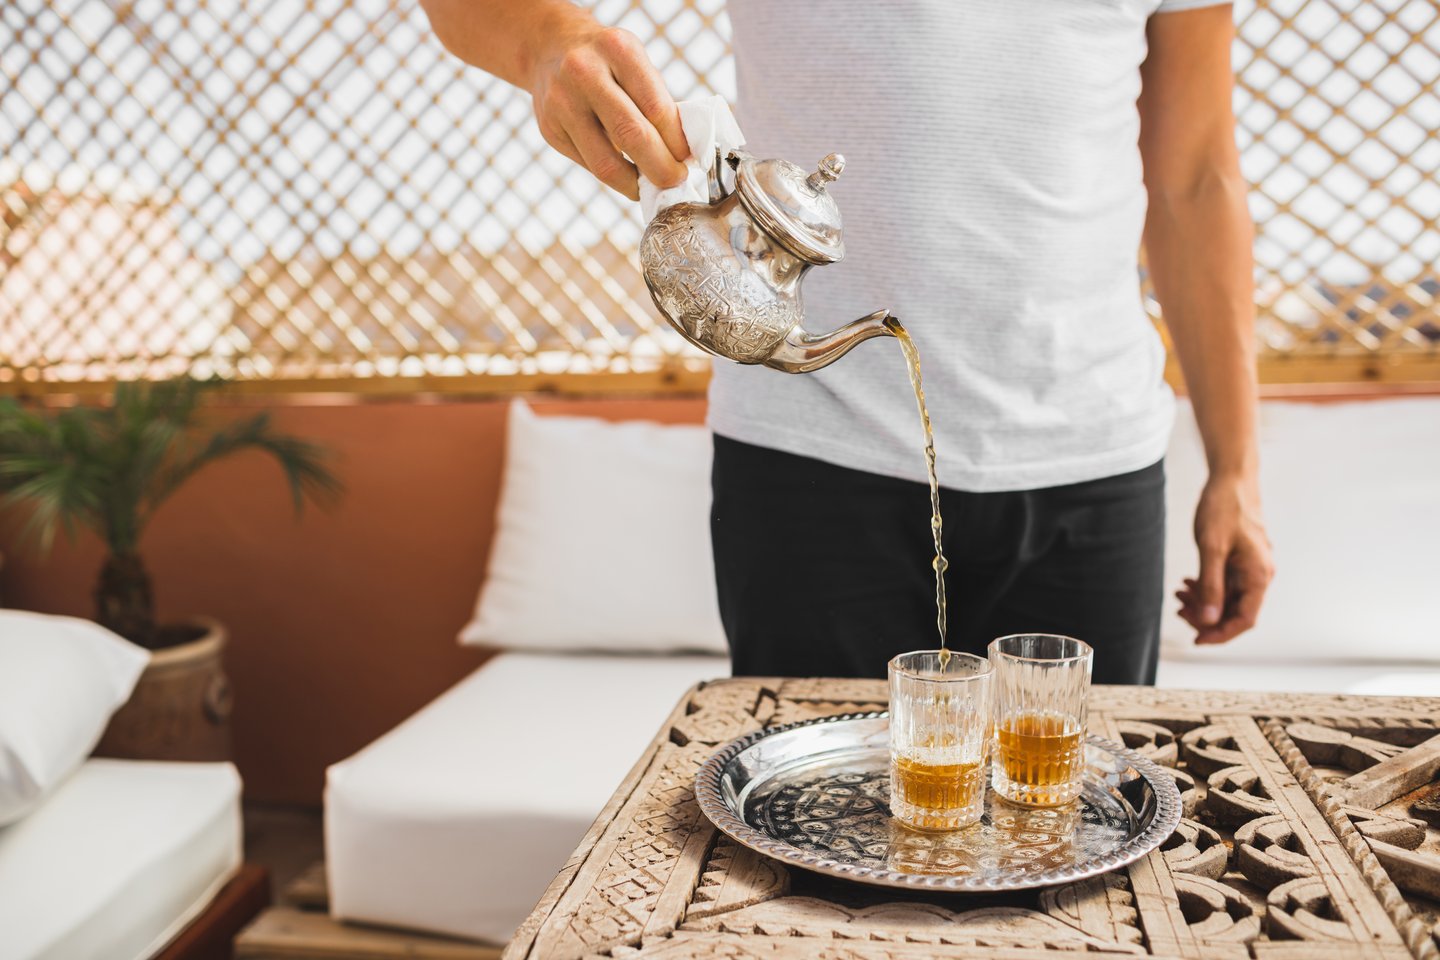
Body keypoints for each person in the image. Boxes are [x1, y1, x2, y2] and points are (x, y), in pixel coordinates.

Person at [419, 0, 1275, 684]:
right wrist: (546, 39)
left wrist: (1236, 467)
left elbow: (1197, 178)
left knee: (1075, 851)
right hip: (809, 463)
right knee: (814, 880)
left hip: (1094, 469)